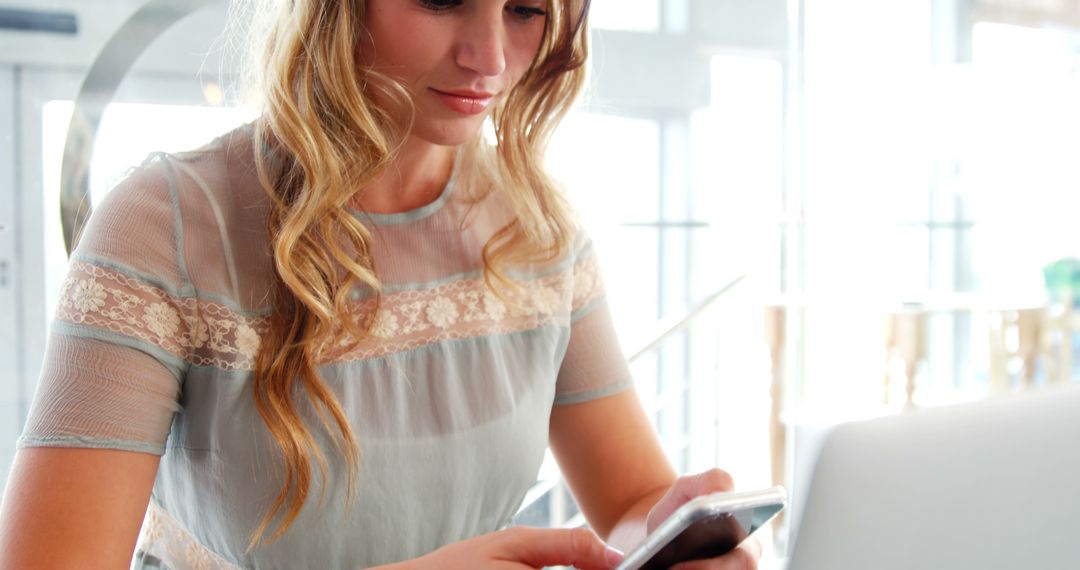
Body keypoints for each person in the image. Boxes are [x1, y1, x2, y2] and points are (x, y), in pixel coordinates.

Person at [0, 0, 761, 568]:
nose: (490, 57)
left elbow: (630, 505)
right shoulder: (162, 227)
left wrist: (671, 545)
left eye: (526, 8)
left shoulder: (539, 234)